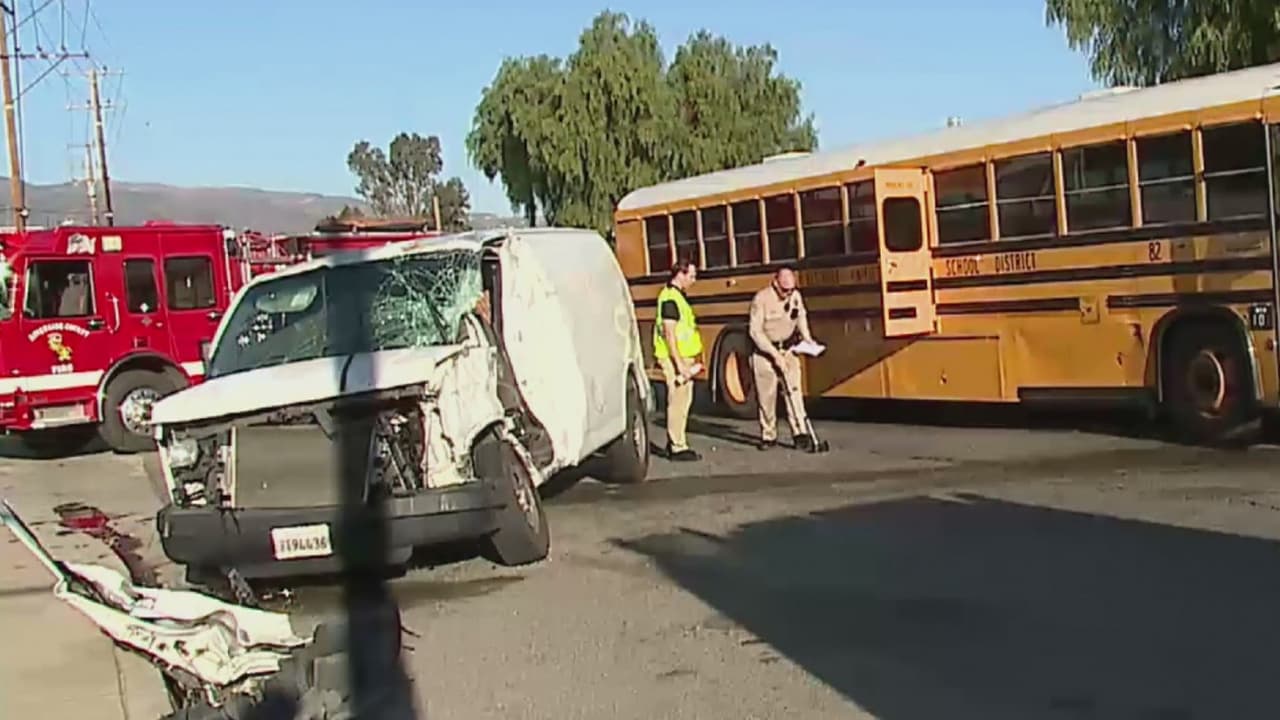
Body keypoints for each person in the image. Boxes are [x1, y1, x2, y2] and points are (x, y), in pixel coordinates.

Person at [748, 267, 819, 451]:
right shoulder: (761, 299)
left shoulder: (795, 296)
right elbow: (755, 332)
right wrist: (774, 354)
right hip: (765, 352)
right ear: (775, 283)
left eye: (791, 289)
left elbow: (800, 316)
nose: (788, 293)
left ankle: (800, 433)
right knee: (767, 397)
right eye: (785, 290)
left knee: (794, 392)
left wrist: (807, 338)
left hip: (788, 349)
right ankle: (768, 435)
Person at [653, 259, 703, 461]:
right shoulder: (670, 299)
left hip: (681, 357)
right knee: (678, 402)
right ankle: (677, 446)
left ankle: (675, 441)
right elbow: (669, 334)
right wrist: (680, 364)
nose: (694, 280)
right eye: (691, 275)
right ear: (680, 274)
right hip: (675, 358)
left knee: (683, 400)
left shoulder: (676, 297)